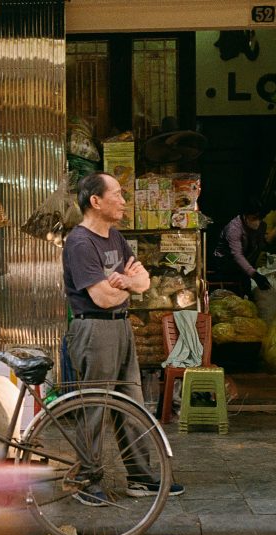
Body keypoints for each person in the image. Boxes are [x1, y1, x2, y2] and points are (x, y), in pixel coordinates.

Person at [62, 172, 184, 506]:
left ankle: (140, 478)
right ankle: (87, 480)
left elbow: (144, 282)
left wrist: (126, 284)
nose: (124, 201)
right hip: (93, 328)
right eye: (117, 194)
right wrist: (124, 285)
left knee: (131, 402)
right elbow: (100, 298)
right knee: (95, 407)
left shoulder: (115, 237)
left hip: (120, 325)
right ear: (95, 201)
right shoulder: (80, 242)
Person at [210, 198, 271, 296]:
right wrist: (254, 275)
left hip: (243, 262)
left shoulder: (262, 226)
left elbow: (259, 245)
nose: (258, 222)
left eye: (260, 218)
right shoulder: (234, 229)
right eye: (254, 218)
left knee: (247, 287)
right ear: (245, 216)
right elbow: (237, 255)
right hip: (225, 262)